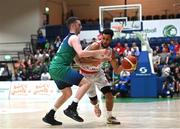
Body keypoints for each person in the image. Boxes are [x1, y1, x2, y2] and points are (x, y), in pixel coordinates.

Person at [42, 17, 111, 125]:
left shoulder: (68, 38)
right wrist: (101, 51)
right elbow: (81, 53)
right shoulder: (74, 38)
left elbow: (78, 59)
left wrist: (100, 59)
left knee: (67, 93)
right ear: (73, 25)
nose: (81, 27)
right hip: (61, 67)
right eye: (79, 25)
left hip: (54, 68)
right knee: (87, 82)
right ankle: (72, 108)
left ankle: (49, 115)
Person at [74, 29, 125, 124]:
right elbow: (79, 59)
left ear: (111, 40)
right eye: (103, 38)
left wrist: (125, 67)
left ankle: (109, 117)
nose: (105, 41)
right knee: (93, 100)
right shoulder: (95, 46)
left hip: (98, 73)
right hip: (85, 74)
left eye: (107, 39)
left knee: (109, 95)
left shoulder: (111, 52)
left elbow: (117, 71)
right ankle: (96, 106)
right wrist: (97, 61)